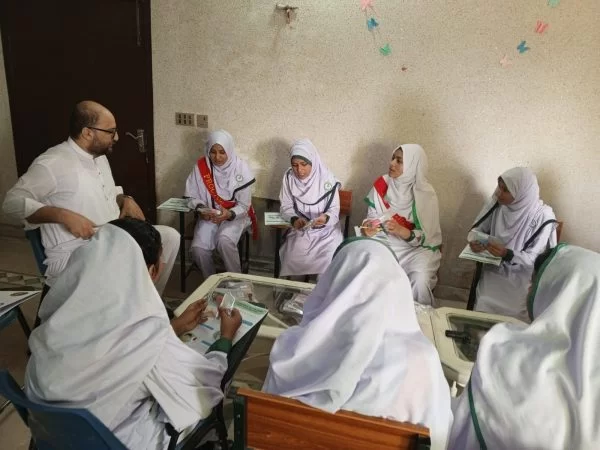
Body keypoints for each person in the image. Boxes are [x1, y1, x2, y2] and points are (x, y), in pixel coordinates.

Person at [25, 221, 243, 450]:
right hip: (115, 443)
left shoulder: (58, 318)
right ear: (152, 271)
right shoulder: (147, 331)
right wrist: (225, 339)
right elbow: (205, 383)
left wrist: (173, 328)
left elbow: (117, 347)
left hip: (53, 436)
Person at [263, 238, 453, 450]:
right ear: (396, 285)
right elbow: (439, 433)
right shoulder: (423, 360)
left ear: (333, 283)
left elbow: (269, 421)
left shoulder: (293, 350)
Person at [2, 100, 179, 295]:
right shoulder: (53, 162)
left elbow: (106, 193)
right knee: (133, 257)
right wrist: (62, 215)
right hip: (75, 251)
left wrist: (124, 199)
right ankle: (135, 305)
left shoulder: (99, 157)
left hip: (110, 237)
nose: (117, 137)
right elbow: (11, 203)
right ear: (87, 132)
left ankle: (149, 302)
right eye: (111, 131)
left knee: (169, 237)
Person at [448, 244, 600, 449]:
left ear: (558, 292)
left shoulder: (503, 354)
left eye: (534, 283)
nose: (530, 289)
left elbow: (461, 430)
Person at [467, 167, 557, 321]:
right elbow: (477, 230)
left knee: (517, 311)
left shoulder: (543, 216)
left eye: (505, 190)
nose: (498, 193)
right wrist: (474, 241)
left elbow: (536, 259)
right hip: (495, 269)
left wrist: (507, 254)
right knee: (484, 301)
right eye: (499, 187)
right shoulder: (497, 204)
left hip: (523, 275)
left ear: (521, 193)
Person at [362, 144, 442, 305]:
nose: (392, 163)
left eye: (399, 161)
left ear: (413, 166)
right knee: (365, 268)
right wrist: (368, 226)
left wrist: (402, 231)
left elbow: (427, 236)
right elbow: (371, 217)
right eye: (393, 158)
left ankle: (418, 316)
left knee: (420, 279)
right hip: (386, 243)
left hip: (417, 250)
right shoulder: (382, 184)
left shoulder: (425, 194)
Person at [184, 130, 257, 280]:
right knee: (198, 249)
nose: (217, 157)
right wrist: (201, 209)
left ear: (229, 150)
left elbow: (244, 205)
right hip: (210, 216)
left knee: (224, 241)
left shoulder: (241, 168)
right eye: (213, 152)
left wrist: (229, 214)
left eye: (222, 152)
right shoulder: (201, 167)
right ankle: (211, 280)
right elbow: (191, 196)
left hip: (235, 216)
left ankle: (236, 281)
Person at [278, 139, 343, 278]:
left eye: (304, 164)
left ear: (313, 161)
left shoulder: (327, 179)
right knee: (291, 258)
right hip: (302, 229)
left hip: (327, 232)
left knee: (328, 260)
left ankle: (321, 291)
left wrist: (325, 218)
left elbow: (334, 210)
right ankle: (293, 291)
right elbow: (286, 206)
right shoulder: (289, 178)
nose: (299, 170)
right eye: (294, 165)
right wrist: (294, 219)